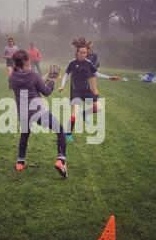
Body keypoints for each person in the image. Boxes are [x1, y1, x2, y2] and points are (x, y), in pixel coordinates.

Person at [10, 49, 68, 178]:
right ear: (25, 61)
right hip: (38, 111)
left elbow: (30, 84)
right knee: (61, 131)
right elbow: (46, 91)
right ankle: (61, 161)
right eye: (28, 59)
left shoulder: (12, 76)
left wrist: (45, 77)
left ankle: (20, 163)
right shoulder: (33, 75)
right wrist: (52, 80)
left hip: (24, 112)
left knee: (25, 134)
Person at [59, 37, 120, 142]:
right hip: (76, 91)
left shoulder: (88, 63)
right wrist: (62, 85)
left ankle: (84, 113)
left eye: (85, 52)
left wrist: (109, 77)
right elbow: (66, 75)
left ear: (87, 53)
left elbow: (96, 74)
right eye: (81, 52)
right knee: (74, 113)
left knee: (99, 108)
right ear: (77, 53)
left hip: (86, 90)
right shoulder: (72, 63)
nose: (83, 54)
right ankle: (68, 134)